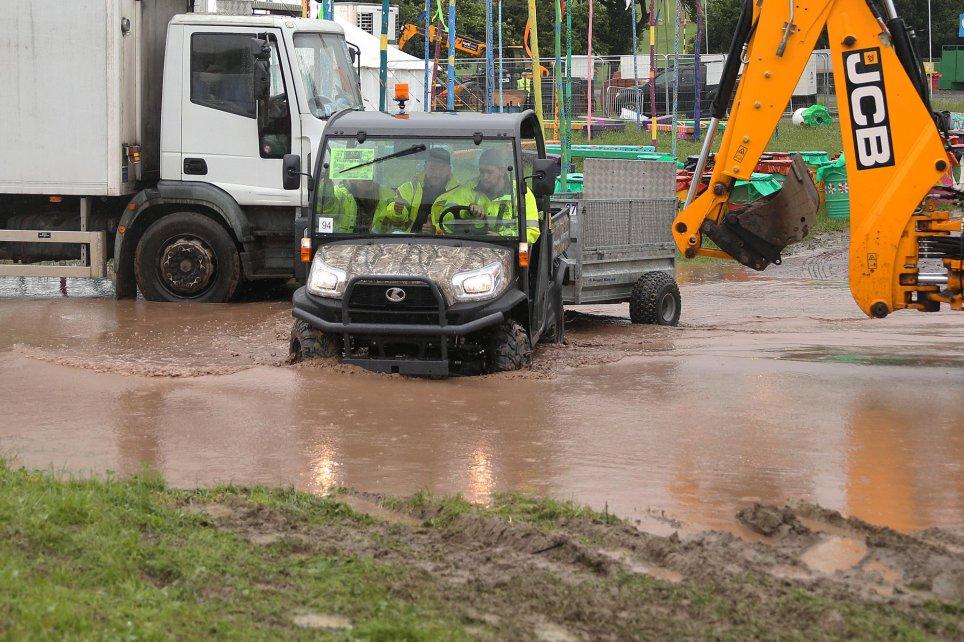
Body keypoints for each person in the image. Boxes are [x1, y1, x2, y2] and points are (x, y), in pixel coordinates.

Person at [431, 148, 540, 244]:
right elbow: (446, 217)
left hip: (509, 247)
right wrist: (468, 210)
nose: (484, 177)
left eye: (489, 172)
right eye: (481, 172)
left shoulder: (520, 193)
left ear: (502, 171)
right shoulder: (469, 188)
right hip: (473, 246)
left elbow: (532, 231)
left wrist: (503, 237)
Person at [371, 147, 462, 234]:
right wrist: (397, 211)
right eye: (432, 168)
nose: (437, 173)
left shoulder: (461, 194)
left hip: (445, 245)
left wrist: (436, 231)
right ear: (425, 168)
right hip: (408, 243)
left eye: (441, 169)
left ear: (449, 170)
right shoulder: (409, 188)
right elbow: (394, 220)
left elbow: (459, 227)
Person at [317, 177, 390, 233]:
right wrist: (326, 189)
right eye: (362, 174)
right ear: (351, 177)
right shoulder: (339, 193)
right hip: (344, 245)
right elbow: (328, 211)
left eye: (369, 173)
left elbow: (398, 223)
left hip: (380, 245)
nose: (368, 178)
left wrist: (396, 214)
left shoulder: (387, 194)